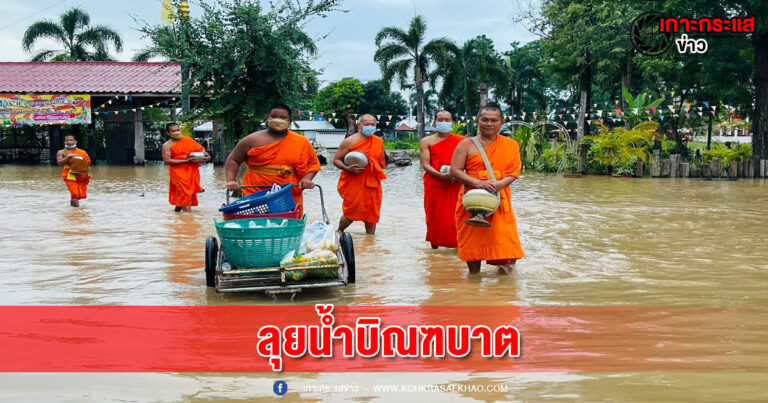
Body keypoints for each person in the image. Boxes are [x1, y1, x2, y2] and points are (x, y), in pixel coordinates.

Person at [450, 106, 524, 275]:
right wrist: (478, 183)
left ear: (502, 123)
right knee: (472, 243)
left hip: (499, 198)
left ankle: (504, 283)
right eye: (484, 119)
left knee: (506, 242)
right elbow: (455, 171)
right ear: (477, 121)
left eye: (494, 120)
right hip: (471, 200)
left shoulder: (510, 145)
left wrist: (499, 184)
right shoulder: (466, 144)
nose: (489, 123)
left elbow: (514, 172)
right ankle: (474, 279)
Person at [225, 104, 321, 217]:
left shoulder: (302, 142)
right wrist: (231, 180)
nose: (278, 120)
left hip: (288, 192)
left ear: (290, 121)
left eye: (283, 117)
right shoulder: (252, 140)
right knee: (254, 222)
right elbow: (233, 160)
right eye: (274, 116)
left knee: (287, 223)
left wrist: (307, 179)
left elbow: (313, 164)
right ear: (267, 118)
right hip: (255, 191)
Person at [334, 114, 387, 235]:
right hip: (354, 180)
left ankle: (370, 239)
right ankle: (339, 232)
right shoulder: (349, 141)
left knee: (372, 211)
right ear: (359, 125)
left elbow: (381, 161)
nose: (370, 127)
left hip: (372, 181)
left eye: (372, 124)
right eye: (366, 124)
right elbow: (336, 160)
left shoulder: (378, 141)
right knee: (352, 210)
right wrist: (347, 168)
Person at [420, 110, 464, 249]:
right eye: (440, 120)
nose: (443, 122)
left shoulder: (462, 142)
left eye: (447, 120)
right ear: (434, 122)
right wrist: (441, 176)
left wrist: (458, 175)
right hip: (434, 183)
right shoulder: (426, 141)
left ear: (453, 122)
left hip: (456, 183)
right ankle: (435, 247)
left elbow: (468, 163)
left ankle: (458, 246)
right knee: (434, 216)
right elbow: (425, 164)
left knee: (456, 215)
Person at [162, 122, 211, 212]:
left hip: (191, 170)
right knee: (185, 193)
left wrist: (206, 156)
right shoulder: (167, 145)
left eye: (178, 130)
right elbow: (167, 161)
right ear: (168, 133)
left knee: (184, 194)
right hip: (177, 173)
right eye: (173, 131)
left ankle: (177, 214)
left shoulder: (188, 140)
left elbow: (201, 150)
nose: (176, 132)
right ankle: (189, 218)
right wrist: (186, 161)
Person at [56, 134, 91, 207]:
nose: (69, 142)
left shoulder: (82, 152)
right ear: (64, 142)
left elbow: (87, 163)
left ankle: (75, 211)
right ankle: (76, 211)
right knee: (74, 193)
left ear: (75, 142)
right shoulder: (61, 152)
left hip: (80, 174)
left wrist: (85, 173)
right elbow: (59, 163)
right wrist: (68, 157)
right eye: (67, 140)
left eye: (71, 140)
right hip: (69, 175)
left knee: (79, 194)